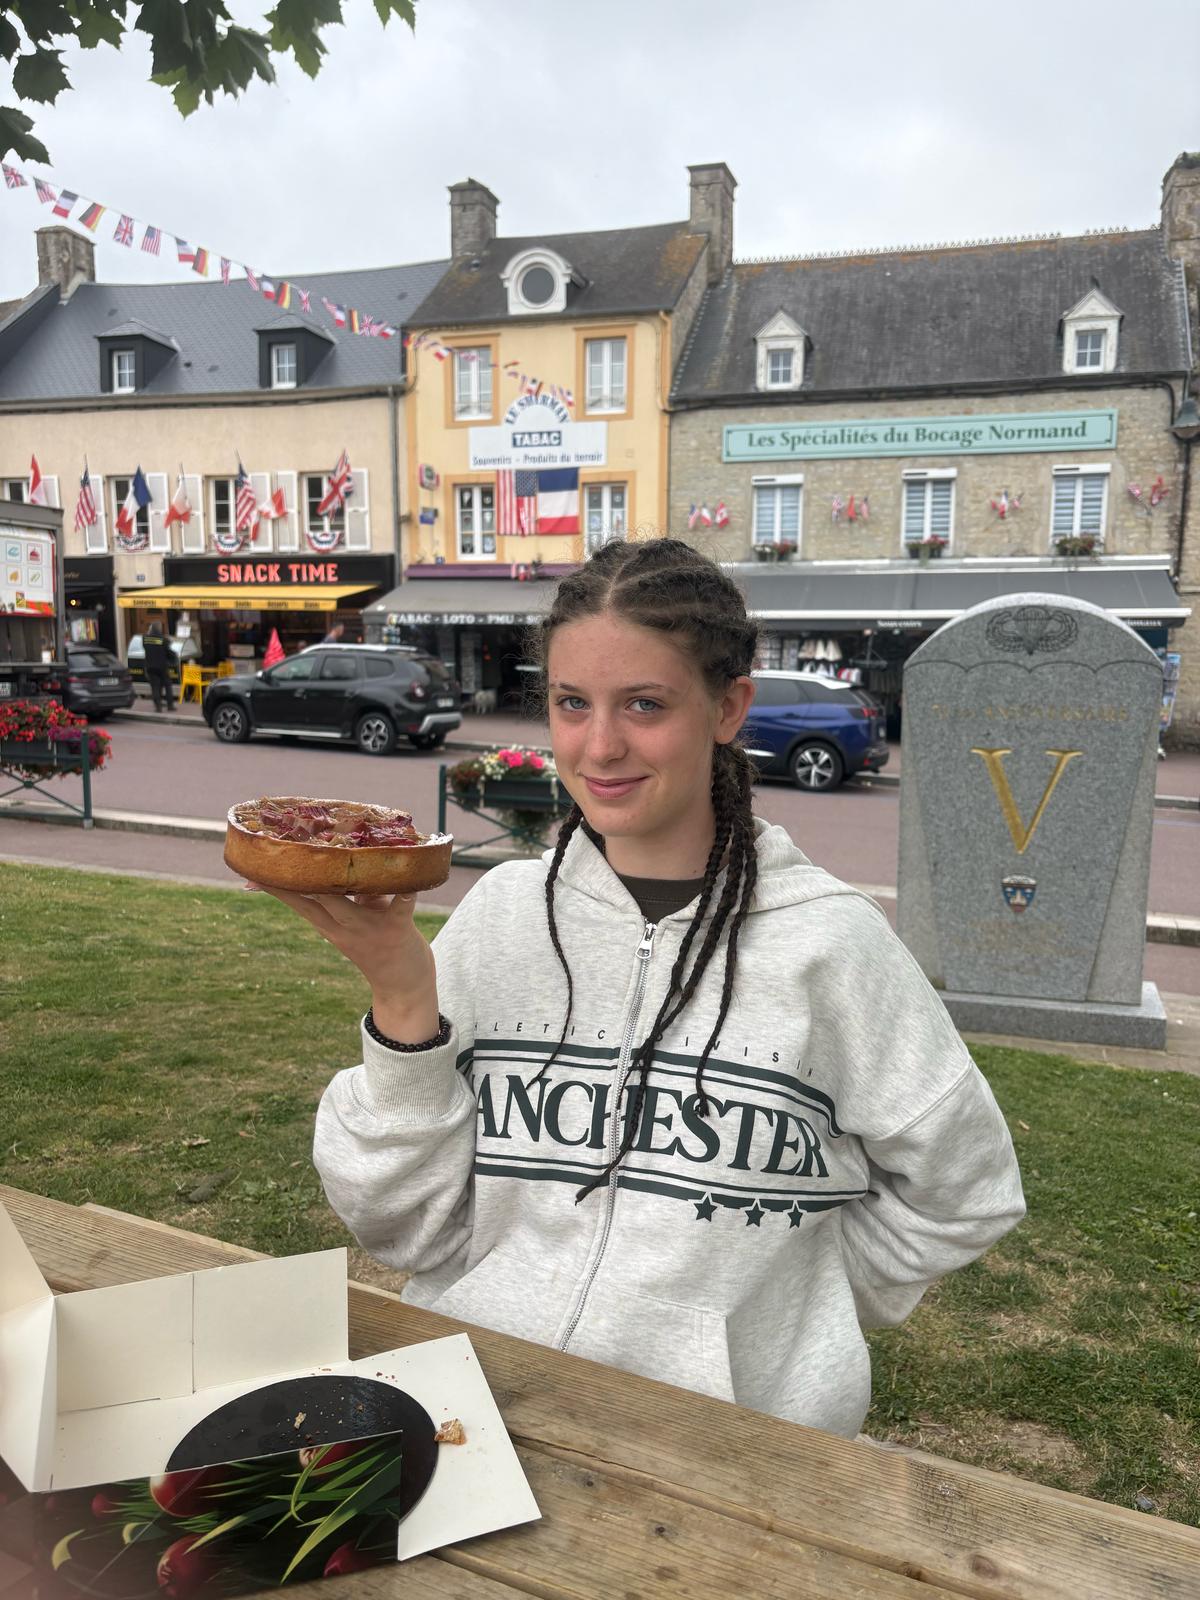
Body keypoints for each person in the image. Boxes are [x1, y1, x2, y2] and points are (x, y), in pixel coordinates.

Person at [261, 539, 1024, 1439]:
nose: (600, 746)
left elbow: (965, 1191)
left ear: (727, 707)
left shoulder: (833, 944)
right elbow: (406, 1234)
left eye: (645, 705)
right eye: (571, 703)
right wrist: (402, 999)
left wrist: (790, 1308)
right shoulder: (503, 916)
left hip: (724, 1451)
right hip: (478, 1417)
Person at [142, 620, 175, 713]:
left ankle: (158, 707)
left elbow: (145, 647)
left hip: (150, 666)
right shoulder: (163, 639)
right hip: (162, 666)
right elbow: (168, 651)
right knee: (167, 685)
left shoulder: (145, 639)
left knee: (155, 687)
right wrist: (172, 659)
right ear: (159, 628)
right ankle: (170, 706)